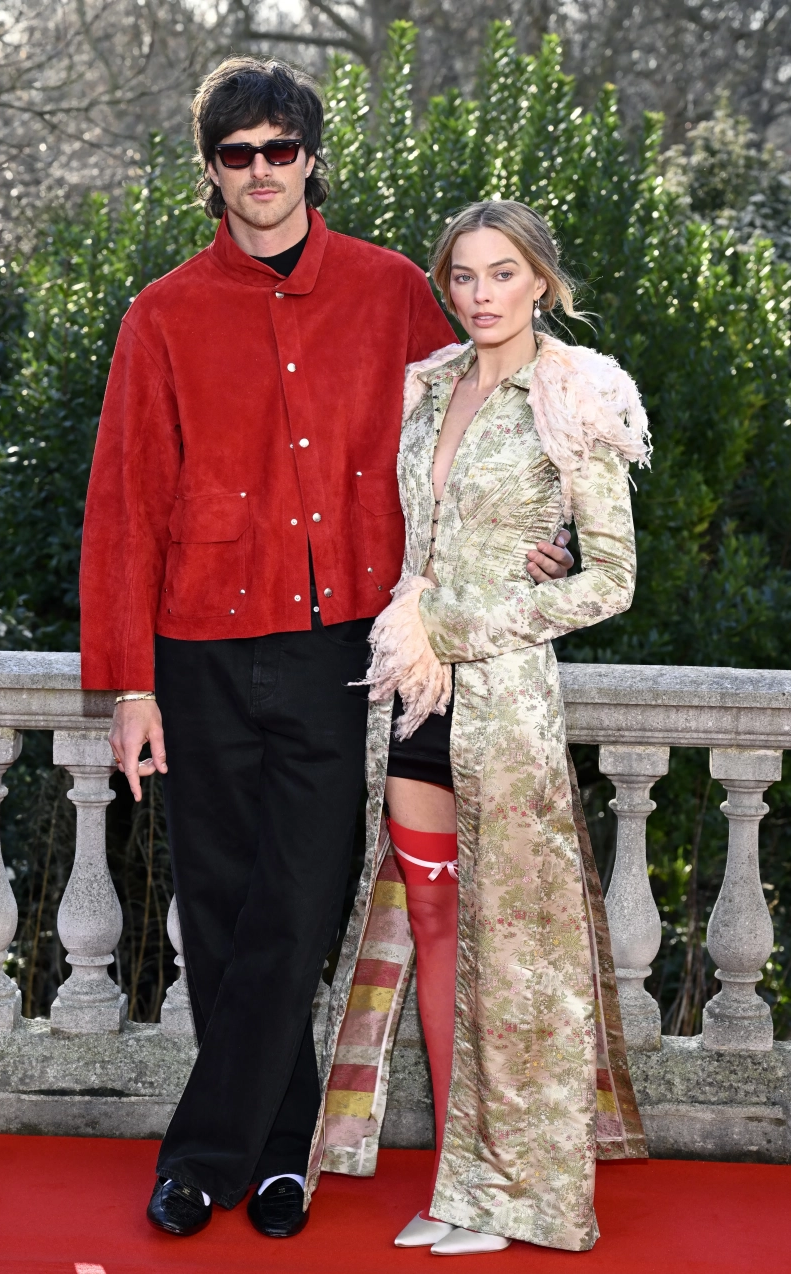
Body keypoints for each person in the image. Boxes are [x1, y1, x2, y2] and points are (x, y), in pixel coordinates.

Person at [79, 62, 574, 1241]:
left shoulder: (391, 288)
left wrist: (537, 527)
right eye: (237, 153)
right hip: (197, 647)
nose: (261, 171)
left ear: (310, 158)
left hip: (344, 645)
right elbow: (125, 502)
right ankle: (279, 1159)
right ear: (210, 169)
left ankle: (200, 1154)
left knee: (301, 899)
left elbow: (484, 411)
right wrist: (130, 683)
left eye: (280, 149)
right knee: (220, 901)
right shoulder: (161, 314)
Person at [312, 200, 650, 1256]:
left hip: (503, 704)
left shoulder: (575, 392)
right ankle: (459, 1187)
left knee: (515, 953)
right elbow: (419, 535)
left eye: (502, 273)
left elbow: (611, 578)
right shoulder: (427, 387)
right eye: (462, 275)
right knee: (435, 926)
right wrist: (422, 624)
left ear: (539, 281)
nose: (480, 294)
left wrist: (464, 621)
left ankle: (521, 1193)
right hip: (414, 704)